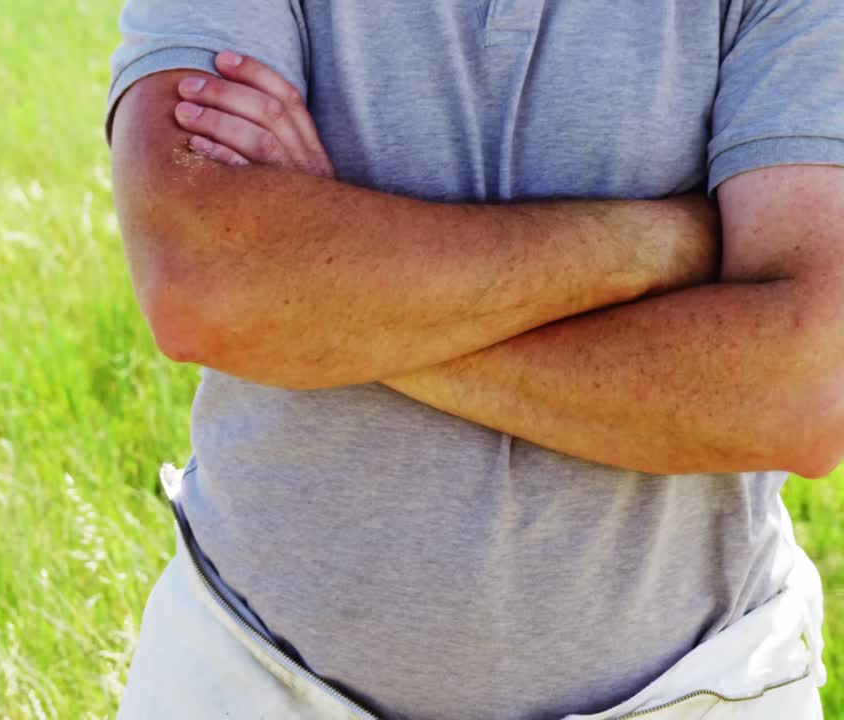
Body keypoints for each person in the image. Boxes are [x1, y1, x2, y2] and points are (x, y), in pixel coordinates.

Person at [105, 2, 844, 718]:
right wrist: (663, 243)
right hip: (254, 677)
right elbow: (203, 281)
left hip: (696, 692)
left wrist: (320, 306)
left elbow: (806, 391)